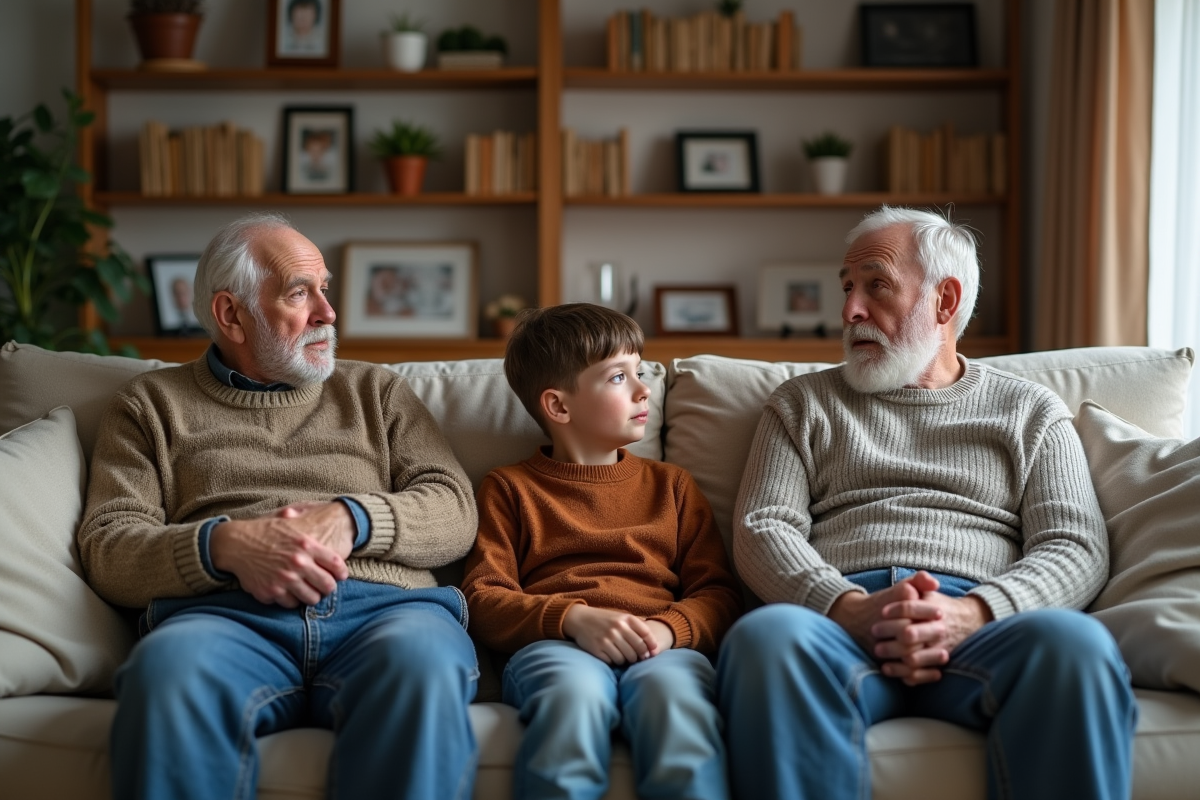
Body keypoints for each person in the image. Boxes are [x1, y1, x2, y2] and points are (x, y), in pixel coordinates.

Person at [718, 206, 1137, 800]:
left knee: (1079, 647)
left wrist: (975, 613)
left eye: (876, 285)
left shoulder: (1029, 410)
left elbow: (1075, 544)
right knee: (766, 640)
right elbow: (763, 528)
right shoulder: (802, 404)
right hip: (837, 623)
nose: (849, 311)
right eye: (847, 288)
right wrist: (850, 607)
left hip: (985, 623)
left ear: (944, 302)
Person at [77, 212, 480, 800]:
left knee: (420, 667)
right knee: (166, 674)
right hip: (225, 619)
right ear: (230, 314)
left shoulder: (377, 392)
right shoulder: (150, 407)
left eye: (326, 288)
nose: (328, 312)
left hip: (386, 613)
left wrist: (353, 518)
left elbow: (454, 508)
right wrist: (225, 545)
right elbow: (109, 545)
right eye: (300, 292)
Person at [462, 303, 743, 800]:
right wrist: (573, 619)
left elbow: (718, 594)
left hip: (663, 648)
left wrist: (667, 629)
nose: (644, 389)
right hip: (558, 648)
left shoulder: (672, 486)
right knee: (573, 698)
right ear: (559, 406)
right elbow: (483, 599)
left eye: (640, 371)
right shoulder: (509, 489)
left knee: (675, 703)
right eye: (619, 377)